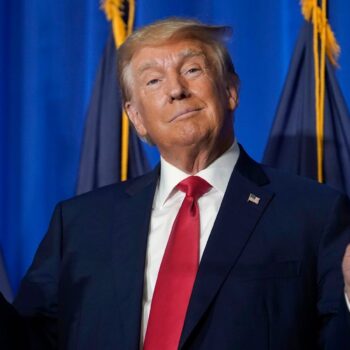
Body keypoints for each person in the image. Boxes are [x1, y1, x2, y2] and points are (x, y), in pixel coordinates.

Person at [1, 18, 350, 350]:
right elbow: (28, 340)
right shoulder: (78, 224)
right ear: (136, 118)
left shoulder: (312, 214)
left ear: (230, 90)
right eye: (153, 81)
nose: (176, 90)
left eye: (192, 70)